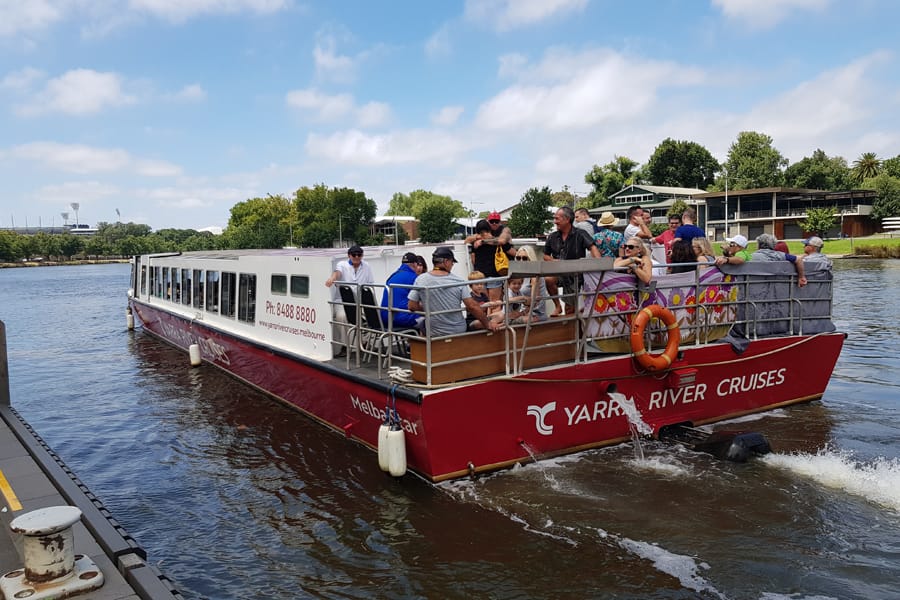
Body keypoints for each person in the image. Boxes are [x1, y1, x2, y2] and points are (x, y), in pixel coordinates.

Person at [408, 247, 500, 336]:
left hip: (433, 332)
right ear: (446, 261)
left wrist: (431, 309)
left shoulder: (420, 279)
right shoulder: (458, 281)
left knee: (421, 324)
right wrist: (487, 324)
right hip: (457, 331)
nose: (452, 265)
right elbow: (472, 306)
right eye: (452, 263)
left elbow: (411, 306)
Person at [543, 206, 601, 315]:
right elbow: (545, 255)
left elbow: (592, 247)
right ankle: (557, 306)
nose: (555, 222)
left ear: (567, 219)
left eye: (557, 218)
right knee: (549, 279)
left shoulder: (580, 233)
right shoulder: (552, 236)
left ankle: (570, 320)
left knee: (570, 309)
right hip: (559, 272)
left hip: (575, 275)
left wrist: (599, 264)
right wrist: (553, 261)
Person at [325, 245, 375, 357]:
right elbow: (337, 273)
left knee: (372, 315)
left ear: (362, 255)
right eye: (354, 255)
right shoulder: (342, 265)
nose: (356, 257)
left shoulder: (366, 266)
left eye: (359, 255)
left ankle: (364, 342)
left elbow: (370, 284)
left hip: (361, 300)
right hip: (342, 300)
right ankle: (346, 346)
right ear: (349, 256)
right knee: (341, 316)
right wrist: (332, 279)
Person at [469, 219, 512, 303]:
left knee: (484, 303)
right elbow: (512, 251)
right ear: (489, 229)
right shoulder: (497, 242)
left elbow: (473, 259)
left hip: (480, 276)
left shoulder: (475, 243)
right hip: (494, 274)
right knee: (495, 303)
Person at [380, 252, 421, 329]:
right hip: (400, 319)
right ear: (415, 264)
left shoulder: (393, 276)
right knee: (430, 319)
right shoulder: (414, 278)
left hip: (384, 318)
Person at [514, 246, 549, 321]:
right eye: (518, 258)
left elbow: (535, 301)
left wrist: (520, 300)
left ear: (530, 259)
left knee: (508, 320)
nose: (521, 261)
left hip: (535, 314)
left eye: (524, 258)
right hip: (522, 312)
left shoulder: (535, 276)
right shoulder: (518, 275)